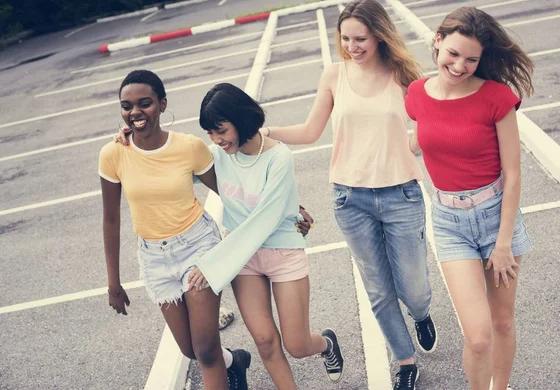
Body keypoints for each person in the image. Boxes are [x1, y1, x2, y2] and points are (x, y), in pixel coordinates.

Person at [260, 1, 437, 388]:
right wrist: (263, 132)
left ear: (379, 35)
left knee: (414, 287)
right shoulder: (334, 76)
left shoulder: (403, 75)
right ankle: (405, 362)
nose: (353, 46)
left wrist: (407, 145)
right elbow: (310, 131)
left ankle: (422, 314)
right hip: (350, 199)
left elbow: (430, 124)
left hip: (400, 195)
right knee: (377, 288)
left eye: (361, 38)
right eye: (346, 39)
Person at [404, 7, 534, 390]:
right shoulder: (417, 94)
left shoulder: (496, 98)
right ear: (438, 42)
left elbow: (513, 174)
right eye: (454, 54)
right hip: (449, 221)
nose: (460, 66)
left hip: (497, 217)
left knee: (501, 322)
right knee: (477, 336)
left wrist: (503, 243)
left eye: (471, 59)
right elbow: (421, 138)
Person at [99, 70, 250, 390]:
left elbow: (229, 191)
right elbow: (110, 219)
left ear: (162, 104)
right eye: (127, 106)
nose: (135, 112)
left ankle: (222, 365)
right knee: (189, 348)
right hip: (154, 257)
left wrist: (283, 211)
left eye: (145, 103)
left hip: (198, 246)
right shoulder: (113, 153)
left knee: (206, 349)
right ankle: (234, 362)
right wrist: (113, 282)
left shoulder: (188, 148)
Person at [190, 83, 344, 389]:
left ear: (240, 119)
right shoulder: (215, 155)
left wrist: (214, 265)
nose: (216, 140)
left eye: (221, 130)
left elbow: (264, 219)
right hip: (244, 258)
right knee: (264, 340)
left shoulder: (278, 157)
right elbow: (167, 162)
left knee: (297, 345)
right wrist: (131, 139)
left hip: (283, 251)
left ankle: (326, 344)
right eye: (210, 133)